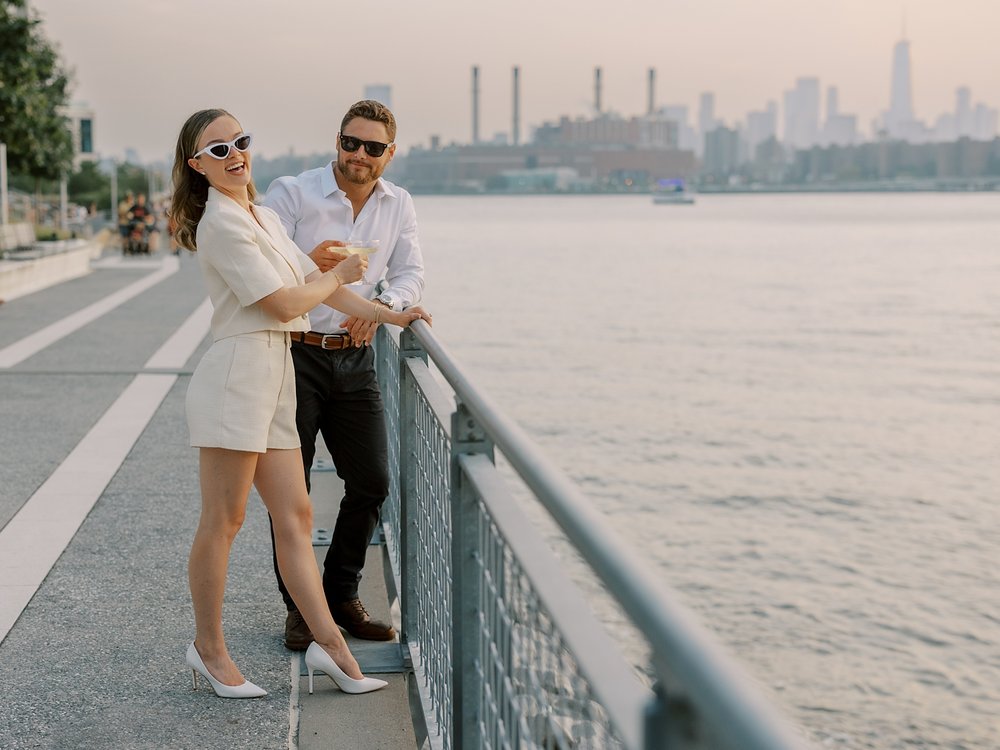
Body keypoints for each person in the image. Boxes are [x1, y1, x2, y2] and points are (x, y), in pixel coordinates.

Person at [170, 108, 430, 699]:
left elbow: (327, 289)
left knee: (297, 517)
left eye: (240, 141)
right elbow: (287, 304)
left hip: (276, 378)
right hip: (239, 375)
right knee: (224, 521)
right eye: (218, 149)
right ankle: (209, 651)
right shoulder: (221, 223)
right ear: (197, 165)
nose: (235, 154)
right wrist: (332, 268)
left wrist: (393, 313)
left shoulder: (260, 214)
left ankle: (331, 648)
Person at [263, 99, 425, 649]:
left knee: (373, 482)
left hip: (355, 359)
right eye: (351, 143)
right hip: (295, 353)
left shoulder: (397, 204)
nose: (359, 155)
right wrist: (326, 272)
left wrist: (381, 305)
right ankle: (300, 612)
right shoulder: (292, 192)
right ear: (337, 141)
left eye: (373, 147)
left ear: (389, 154)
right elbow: (269, 270)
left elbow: (410, 272)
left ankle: (339, 596)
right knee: (293, 491)